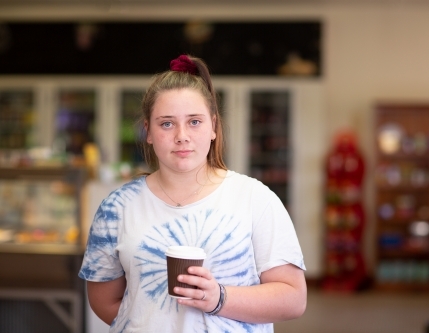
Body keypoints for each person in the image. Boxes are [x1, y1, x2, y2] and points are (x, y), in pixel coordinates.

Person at [78, 54, 307, 332]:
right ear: (148, 131)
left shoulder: (255, 199)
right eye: (166, 123)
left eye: (194, 122)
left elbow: (293, 299)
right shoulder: (117, 208)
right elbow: (104, 302)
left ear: (213, 126)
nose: (182, 135)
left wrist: (219, 298)